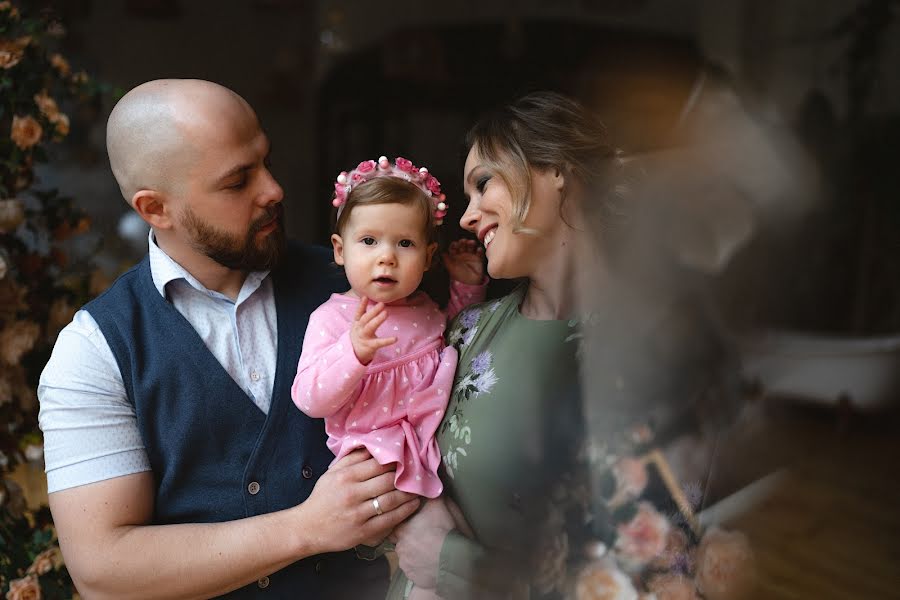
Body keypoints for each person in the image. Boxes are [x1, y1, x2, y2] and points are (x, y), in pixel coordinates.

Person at [37, 79, 420, 600]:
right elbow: (102, 570)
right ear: (155, 209)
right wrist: (306, 527)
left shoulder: (358, 287)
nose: (273, 190)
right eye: (239, 181)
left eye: (265, 160)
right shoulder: (94, 352)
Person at [386, 91, 620, 599]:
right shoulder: (463, 333)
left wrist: (452, 563)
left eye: (483, 183)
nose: (468, 217)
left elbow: (655, 575)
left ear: (557, 169)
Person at [292, 156, 486, 500]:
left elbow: (460, 341)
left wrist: (466, 286)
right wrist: (352, 353)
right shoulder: (332, 319)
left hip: (436, 448)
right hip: (374, 460)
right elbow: (309, 398)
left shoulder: (425, 307)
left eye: (404, 243)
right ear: (340, 250)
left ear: (428, 258)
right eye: (369, 241)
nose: (387, 257)